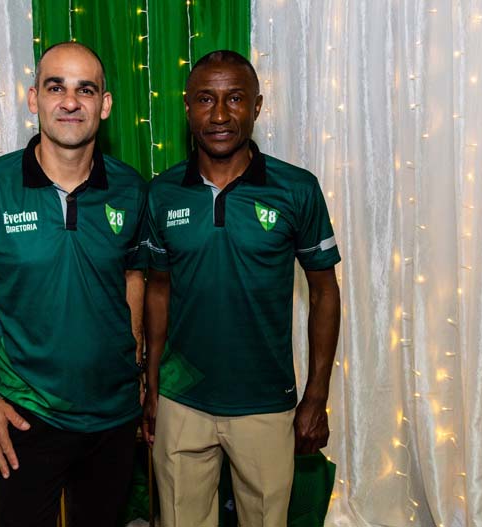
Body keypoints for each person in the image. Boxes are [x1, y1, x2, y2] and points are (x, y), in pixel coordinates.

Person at [0, 42, 148, 527]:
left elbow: (133, 276)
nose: (70, 102)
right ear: (34, 98)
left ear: (104, 104)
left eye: (85, 90)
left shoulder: (132, 189)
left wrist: (134, 367)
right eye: (56, 87)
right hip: (25, 417)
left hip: (113, 417)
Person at [142, 50, 341, 527]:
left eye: (234, 98)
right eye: (205, 99)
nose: (219, 115)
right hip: (181, 399)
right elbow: (158, 291)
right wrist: (150, 385)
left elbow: (324, 293)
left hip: (265, 402)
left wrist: (316, 396)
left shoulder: (296, 189)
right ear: (187, 107)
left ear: (257, 106)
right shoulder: (162, 192)